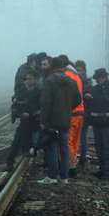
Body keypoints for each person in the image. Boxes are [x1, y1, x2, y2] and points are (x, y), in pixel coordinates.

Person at [38, 56, 81, 184]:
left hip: (52, 121)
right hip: (65, 120)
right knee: (64, 148)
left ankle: (52, 176)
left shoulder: (49, 81)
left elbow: (45, 103)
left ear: (52, 67)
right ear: (63, 67)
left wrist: (43, 121)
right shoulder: (71, 81)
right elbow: (78, 100)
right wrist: (67, 108)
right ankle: (64, 177)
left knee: (51, 147)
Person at [84, 68, 109, 180]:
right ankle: (102, 169)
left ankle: (107, 172)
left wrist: (106, 99)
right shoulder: (93, 89)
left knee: (107, 147)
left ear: (105, 77)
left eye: (101, 77)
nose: (99, 80)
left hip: (107, 121)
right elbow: (88, 105)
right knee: (99, 147)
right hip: (96, 121)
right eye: (98, 78)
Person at [6, 70, 41, 171]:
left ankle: (33, 162)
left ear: (35, 80)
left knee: (35, 146)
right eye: (26, 79)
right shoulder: (21, 92)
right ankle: (9, 163)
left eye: (30, 79)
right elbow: (14, 107)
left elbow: (42, 108)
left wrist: (31, 114)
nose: (27, 81)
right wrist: (20, 114)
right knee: (15, 143)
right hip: (24, 123)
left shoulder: (39, 92)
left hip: (35, 124)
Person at [60, 55, 84, 178]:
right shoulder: (77, 76)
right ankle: (73, 165)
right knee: (75, 141)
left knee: (68, 141)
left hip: (72, 113)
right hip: (80, 113)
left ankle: (70, 167)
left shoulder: (67, 76)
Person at [75, 60, 92, 169]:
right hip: (75, 113)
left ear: (84, 70)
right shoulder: (75, 80)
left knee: (82, 138)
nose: (78, 72)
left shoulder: (87, 82)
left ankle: (82, 159)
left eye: (80, 70)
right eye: (77, 70)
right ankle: (75, 158)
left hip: (84, 114)